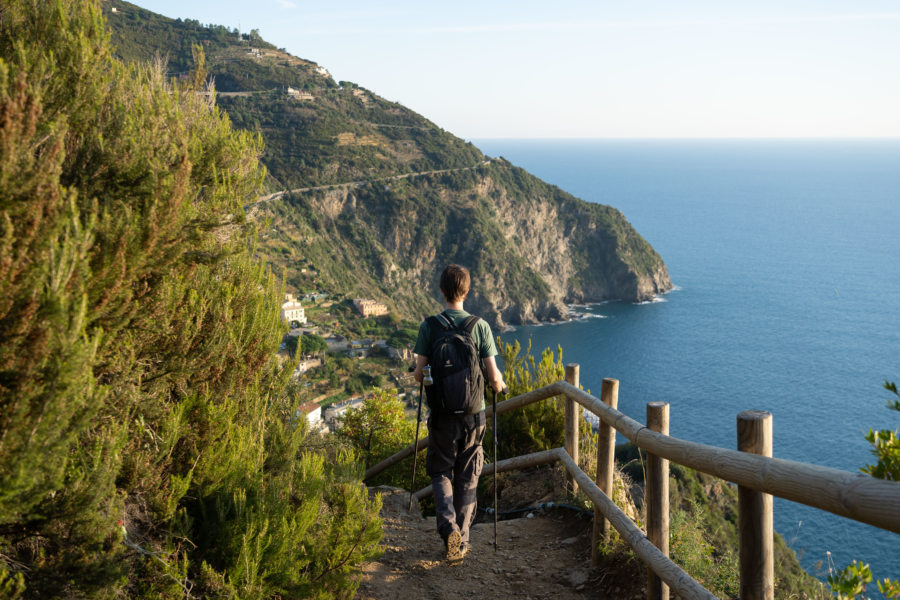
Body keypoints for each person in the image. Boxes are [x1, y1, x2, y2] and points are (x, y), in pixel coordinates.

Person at [413, 264, 506, 562]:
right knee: (468, 476)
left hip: (441, 416)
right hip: (472, 416)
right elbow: (493, 377)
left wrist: (428, 377)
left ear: (441, 291)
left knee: (440, 471)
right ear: (467, 292)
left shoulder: (429, 326)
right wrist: (500, 385)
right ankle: (461, 540)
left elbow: (419, 373)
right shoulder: (479, 327)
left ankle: (447, 528)